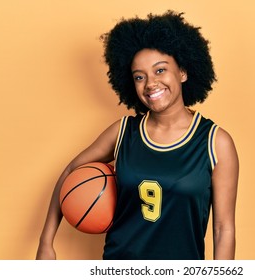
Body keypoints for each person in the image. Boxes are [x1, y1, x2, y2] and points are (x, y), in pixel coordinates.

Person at [36, 10, 239, 260]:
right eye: (139, 77)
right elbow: (70, 173)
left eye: (160, 70)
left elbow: (223, 229)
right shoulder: (123, 132)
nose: (150, 83)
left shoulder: (215, 142)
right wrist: (46, 243)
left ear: (183, 72)